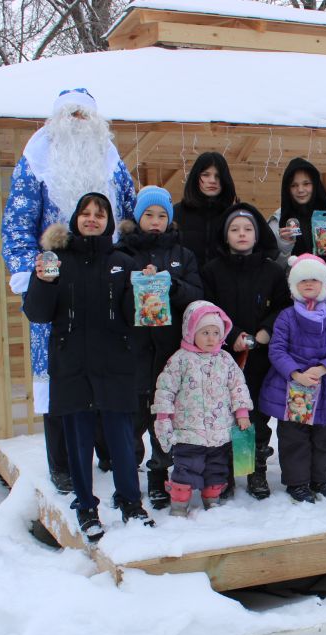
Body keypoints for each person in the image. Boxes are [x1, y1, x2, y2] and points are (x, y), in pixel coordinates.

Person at [2, 88, 136, 495]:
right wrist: (31, 275)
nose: (78, 123)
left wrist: (133, 265)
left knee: (108, 364)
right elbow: (17, 224)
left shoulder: (110, 159)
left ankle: (110, 453)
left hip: (107, 281)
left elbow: (129, 215)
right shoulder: (36, 159)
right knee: (60, 374)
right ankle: (62, 463)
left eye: (84, 115)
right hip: (59, 284)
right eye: (71, 114)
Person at [21, 193, 154, 538]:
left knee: (122, 441)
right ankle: (85, 506)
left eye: (99, 214)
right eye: (86, 213)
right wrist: (43, 282)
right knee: (78, 442)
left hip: (115, 364)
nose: (92, 219)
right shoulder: (57, 260)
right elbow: (38, 313)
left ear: (108, 221)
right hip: (72, 365)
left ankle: (131, 503)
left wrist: (145, 289)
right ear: (76, 219)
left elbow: (135, 317)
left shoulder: (123, 261)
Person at [115, 185, 204, 509]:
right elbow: (113, 301)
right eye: (149, 215)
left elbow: (197, 296)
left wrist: (171, 284)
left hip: (169, 353)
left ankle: (158, 476)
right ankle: (127, 480)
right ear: (138, 217)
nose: (155, 221)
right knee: (131, 420)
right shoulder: (123, 254)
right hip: (133, 352)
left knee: (164, 419)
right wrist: (136, 286)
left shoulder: (183, 255)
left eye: (162, 215)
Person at [200, 203, 292, 499]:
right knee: (225, 415)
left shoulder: (272, 270)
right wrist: (232, 334)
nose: (242, 234)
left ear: (257, 234)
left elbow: (284, 306)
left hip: (260, 357)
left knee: (255, 417)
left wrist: (265, 331)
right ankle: (225, 473)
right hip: (221, 356)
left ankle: (255, 469)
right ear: (225, 235)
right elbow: (207, 308)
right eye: (235, 229)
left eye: (248, 229)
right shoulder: (212, 270)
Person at [260, 254, 326, 503]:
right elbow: (277, 349)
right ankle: (297, 482)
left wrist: (323, 369)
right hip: (293, 387)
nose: (309, 284)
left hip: (325, 385)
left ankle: (321, 479)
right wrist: (296, 374)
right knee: (294, 438)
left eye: (314, 279)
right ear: (294, 286)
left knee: (324, 437)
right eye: (303, 280)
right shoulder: (286, 317)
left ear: (324, 285)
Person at [152, 301, 254, 517]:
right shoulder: (180, 360)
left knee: (216, 467)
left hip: (219, 430)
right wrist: (163, 416)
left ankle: (212, 498)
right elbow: (165, 389)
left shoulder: (225, 360)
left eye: (216, 333)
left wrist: (242, 413)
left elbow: (238, 387)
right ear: (191, 332)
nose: (211, 338)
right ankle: (179, 504)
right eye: (205, 332)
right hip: (188, 431)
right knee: (186, 467)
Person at [267, 157, 326, 310]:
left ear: (315, 185)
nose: (300, 190)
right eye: (294, 185)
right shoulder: (277, 223)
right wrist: (284, 246)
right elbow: (270, 272)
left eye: (306, 183)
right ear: (287, 189)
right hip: (288, 304)